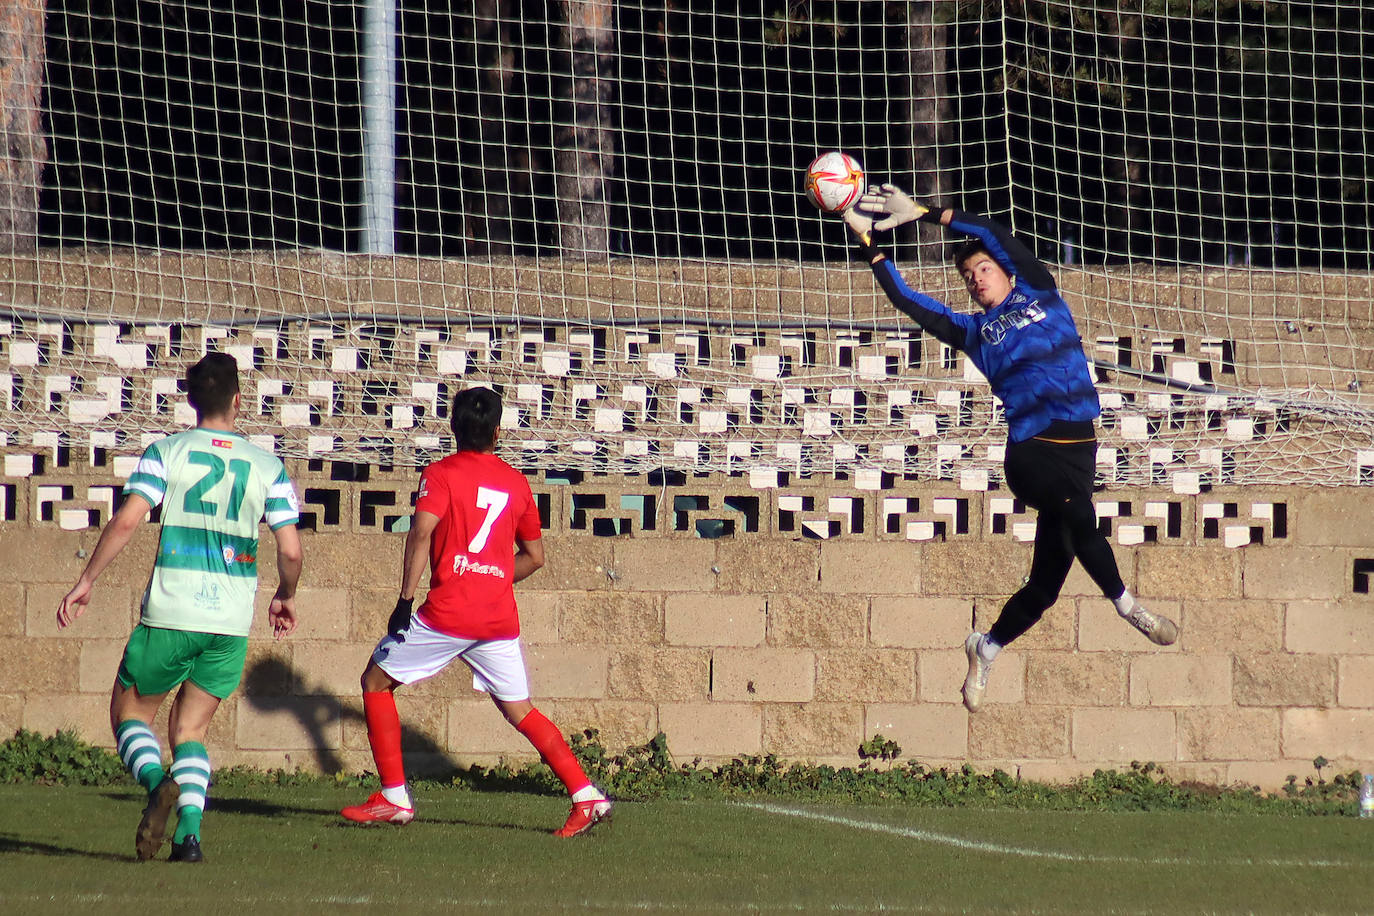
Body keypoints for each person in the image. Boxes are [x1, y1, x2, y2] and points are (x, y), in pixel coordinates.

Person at [844, 185, 1178, 713]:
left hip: (1078, 450)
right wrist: (863, 235)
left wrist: (926, 214)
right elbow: (908, 300)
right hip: (1030, 453)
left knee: (1046, 586)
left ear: (1005, 271)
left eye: (982, 269)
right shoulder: (975, 331)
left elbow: (993, 232)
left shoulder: (1042, 293)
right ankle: (1129, 607)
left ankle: (986, 646)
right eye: (968, 276)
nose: (976, 279)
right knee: (1077, 514)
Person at [57, 352, 303, 861]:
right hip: (230, 622)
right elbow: (291, 549)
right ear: (240, 400)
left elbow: (126, 521)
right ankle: (189, 836)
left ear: (191, 401)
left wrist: (87, 580)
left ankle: (154, 784)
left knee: (129, 714)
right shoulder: (268, 467)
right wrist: (285, 594)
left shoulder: (166, 452)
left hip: (171, 612)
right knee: (191, 730)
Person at [341, 386, 612, 837]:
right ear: (498, 432)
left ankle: (393, 797)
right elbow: (535, 556)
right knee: (521, 711)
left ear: (453, 429)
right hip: (496, 619)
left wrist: (405, 601)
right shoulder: (516, 482)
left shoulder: (441, 474)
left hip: (446, 615)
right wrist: (489, 577)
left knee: (375, 681)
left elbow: (421, 533)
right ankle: (586, 796)